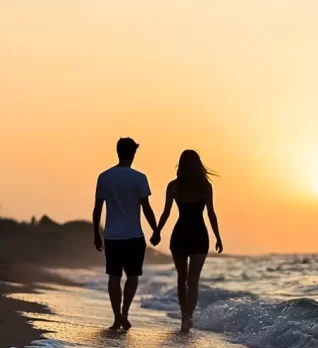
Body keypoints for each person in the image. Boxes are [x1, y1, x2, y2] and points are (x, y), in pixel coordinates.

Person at [151, 149, 223, 331]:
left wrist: (157, 232)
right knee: (193, 280)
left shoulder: (174, 186)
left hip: (181, 233)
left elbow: (166, 212)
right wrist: (218, 237)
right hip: (199, 234)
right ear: (198, 165)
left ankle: (185, 316)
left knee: (182, 278)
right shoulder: (205, 186)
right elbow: (211, 214)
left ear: (181, 165)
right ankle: (188, 318)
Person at [93, 137, 158, 330]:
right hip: (134, 236)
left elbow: (97, 208)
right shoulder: (139, 178)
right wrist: (155, 230)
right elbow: (146, 208)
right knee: (132, 276)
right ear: (133, 153)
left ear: (117, 151)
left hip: (112, 236)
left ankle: (116, 317)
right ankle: (125, 313)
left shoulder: (104, 176)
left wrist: (96, 233)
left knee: (114, 277)